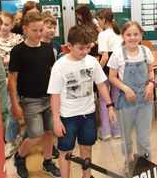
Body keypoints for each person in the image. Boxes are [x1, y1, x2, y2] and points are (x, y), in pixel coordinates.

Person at [47, 25, 117, 178]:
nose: (85, 52)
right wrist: (56, 120)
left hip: (88, 114)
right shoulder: (60, 65)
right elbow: (55, 95)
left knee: (87, 147)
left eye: (87, 48)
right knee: (66, 151)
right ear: (69, 46)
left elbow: (101, 85)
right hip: (67, 116)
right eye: (81, 48)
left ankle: (87, 175)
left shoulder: (92, 62)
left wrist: (110, 106)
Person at [8, 12, 60, 178]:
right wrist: (15, 105)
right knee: (35, 134)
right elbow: (12, 81)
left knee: (48, 132)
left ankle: (47, 162)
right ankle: (20, 157)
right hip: (29, 100)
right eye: (35, 30)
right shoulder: (18, 51)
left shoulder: (47, 48)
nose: (39, 34)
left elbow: (52, 73)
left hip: (48, 98)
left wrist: (57, 97)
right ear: (25, 29)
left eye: (40, 30)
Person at [108, 21, 156, 174]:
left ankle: (145, 164)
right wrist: (125, 88)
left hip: (145, 100)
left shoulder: (145, 51)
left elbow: (151, 71)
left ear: (141, 35)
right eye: (128, 34)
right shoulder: (117, 54)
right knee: (126, 137)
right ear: (123, 36)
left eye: (136, 34)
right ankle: (128, 161)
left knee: (144, 137)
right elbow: (112, 77)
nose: (132, 37)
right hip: (126, 101)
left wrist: (150, 84)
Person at [0, 11, 24, 159]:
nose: (3, 28)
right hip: (1, 80)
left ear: (12, 25)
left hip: (15, 79)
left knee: (10, 106)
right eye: (1, 24)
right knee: (5, 109)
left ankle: (11, 141)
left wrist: (8, 62)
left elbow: (21, 58)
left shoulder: (18, 39)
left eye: (6, 24)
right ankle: (14, 135)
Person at [96, 8, 122, 140]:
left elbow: (105, 57)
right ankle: (116, 130)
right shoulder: (120, 33)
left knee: (104, 100)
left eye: (98, 20)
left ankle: (105, 131)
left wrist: (96, 71)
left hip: (106, 70)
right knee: (115, 100)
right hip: (118, 71)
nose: (97, 22)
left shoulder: (103, 35)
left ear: (104, 20)